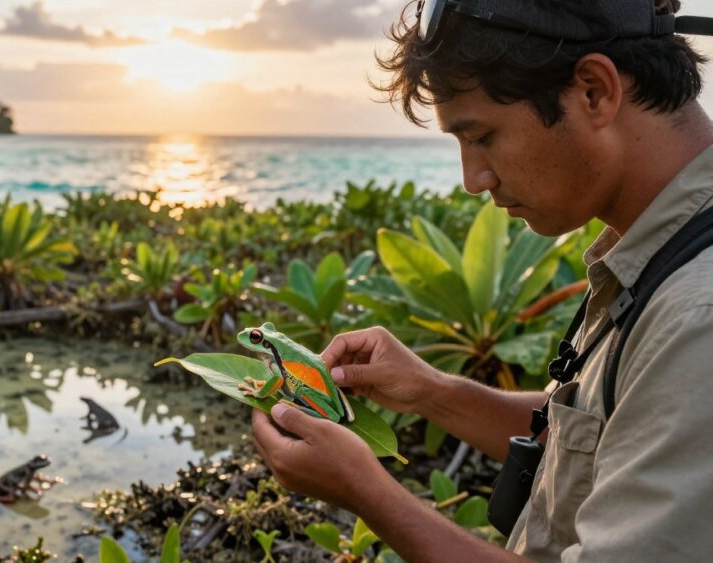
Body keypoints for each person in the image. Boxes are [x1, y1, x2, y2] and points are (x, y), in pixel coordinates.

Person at [250, 1, 713, 561]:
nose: (474, 180)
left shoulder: (698, 315)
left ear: (594, 91)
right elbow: (606, 433)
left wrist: (368, 493)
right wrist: (433, 391)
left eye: (482, 136)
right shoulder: (667, 244)